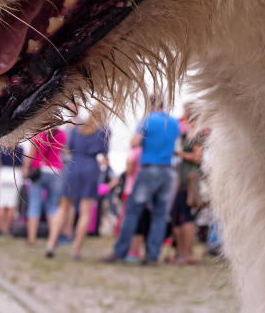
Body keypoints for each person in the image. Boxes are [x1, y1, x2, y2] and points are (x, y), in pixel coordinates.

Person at [102, 102, 180, 264]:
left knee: (132, 212)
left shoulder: (148, 119)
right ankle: (152, 256)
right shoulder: (173, 122)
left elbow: (134, 143)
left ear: (150, 105)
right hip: (168, 171)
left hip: (149, 169)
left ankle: (120, 252)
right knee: (159, 215)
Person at [45, 110, 109, 259]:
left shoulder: (76, 127)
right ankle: (76, 250)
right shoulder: (104, 130)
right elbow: (105, 153)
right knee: (85, 211)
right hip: (91, 167)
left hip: (73, 166)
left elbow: (68, 147)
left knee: (63, 206)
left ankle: (51, 244)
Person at [170, 105, 204, 264]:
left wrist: (181, 153)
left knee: (186, 216)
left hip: (190, 179)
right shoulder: (186, 133)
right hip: (182, 179)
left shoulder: (196, 134)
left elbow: (198, 157)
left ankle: (188, 254)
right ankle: (181, 253)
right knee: (178, 215)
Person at [23, 128, 66, 246]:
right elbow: (63, 151)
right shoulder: (61, 134)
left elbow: (31, 153)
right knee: (52, 206)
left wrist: (26, 168)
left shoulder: (38, 133)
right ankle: (52, 239)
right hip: (55, 171)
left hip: (39, 170)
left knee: (34, 205)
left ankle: (31, 239)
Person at [0, 145, 25, 235]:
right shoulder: (20, 148)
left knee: (1, 203)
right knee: (12, 204)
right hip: (15, 173)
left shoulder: (2, 148)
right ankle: (6, 229)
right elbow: (22, 163)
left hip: (3, 173)